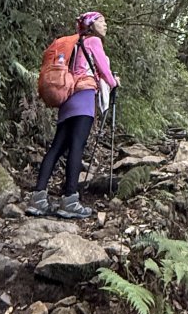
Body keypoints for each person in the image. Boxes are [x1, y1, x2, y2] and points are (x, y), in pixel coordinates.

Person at [27, 11, 119, 219]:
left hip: (67, 97)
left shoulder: (75, 44)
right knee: (77, 146)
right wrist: (114, 82)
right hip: (84, 96)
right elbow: (104, 71)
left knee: (57, 147)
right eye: (103, 21)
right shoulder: (93, 41)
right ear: (92, 24)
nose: (106, 26)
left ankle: (38, 198)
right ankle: (70, 199)